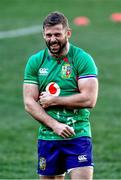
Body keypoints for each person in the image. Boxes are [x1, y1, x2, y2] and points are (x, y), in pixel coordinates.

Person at [23, 11, 98, 180]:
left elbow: (89, 99)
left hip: (77, 134)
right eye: (48, 35)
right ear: (43, 34)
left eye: (57, 34)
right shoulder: (36, 61)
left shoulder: (82, 59)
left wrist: (55, 100)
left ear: (68, 33)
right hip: (48, 136)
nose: (53, 39)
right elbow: (29, 102)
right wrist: (55, 125)